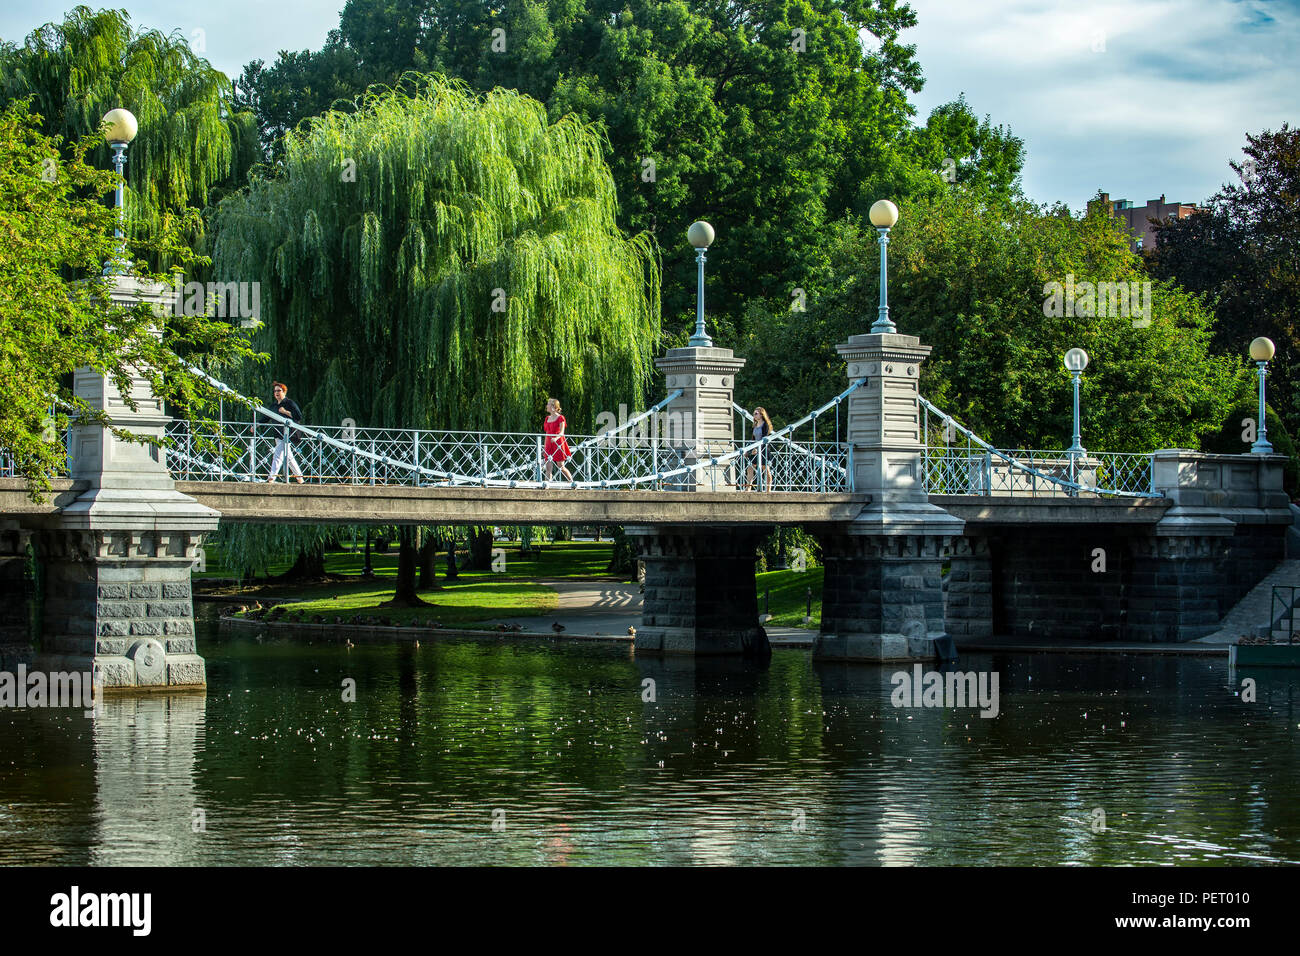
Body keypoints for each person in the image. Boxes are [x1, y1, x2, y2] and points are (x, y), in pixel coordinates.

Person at [266, 381, 305, 483]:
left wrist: (285, 412)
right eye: (275, 391)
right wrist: (256, 424)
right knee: (289, 457)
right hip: (277, 433)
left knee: (278, 455)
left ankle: (272, 477)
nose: (276, 393)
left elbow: (298, 416)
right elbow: (266, 417)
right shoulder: (273, 405)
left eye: (279, 390)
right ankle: (300, 478)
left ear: (284, 392)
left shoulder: (289, 403)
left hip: (288, 434)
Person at [742, 406, 774, 492]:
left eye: (756, 413)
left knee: (766, 469)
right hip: (755, 450)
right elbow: (753, 439)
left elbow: (765, 439)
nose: (754, 415)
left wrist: (758, 448)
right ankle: (748, 487)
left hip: (763, 449)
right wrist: (748, 450)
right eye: (754, 414)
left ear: (761, 414)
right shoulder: (755, 425)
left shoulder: (765, 425)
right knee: (750, 468)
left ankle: (768, 489)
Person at [542, 397, 575, 483]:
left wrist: (556, 438)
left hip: (558, 443)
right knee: (548, 466)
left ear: (553, 407)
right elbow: (546, 434)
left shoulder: (561, 418)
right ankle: (547, 485)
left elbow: (562, 432)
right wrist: (544, 447)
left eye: (548, 404)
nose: (547, 406)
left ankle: (572, 482)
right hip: (549, 443)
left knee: (561, 466)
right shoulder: (547, 418)